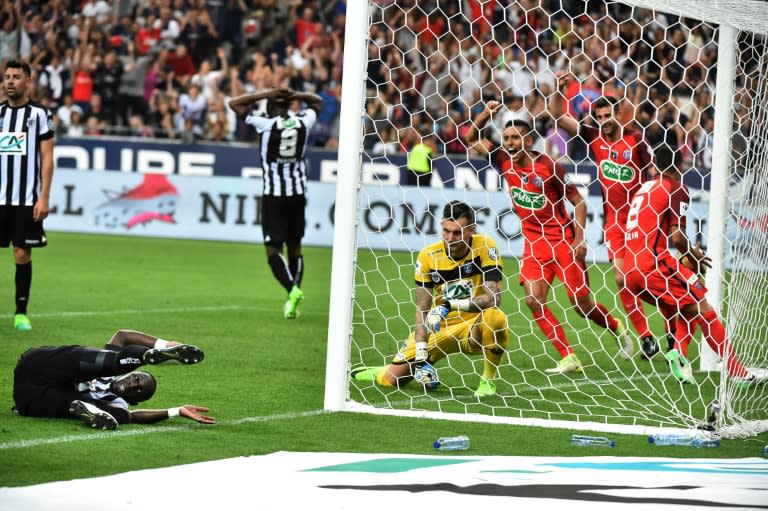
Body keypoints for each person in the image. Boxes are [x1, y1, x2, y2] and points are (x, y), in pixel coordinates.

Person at [464, 102, 633, 374]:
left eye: (515, 138)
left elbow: (578, 201)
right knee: (533, 300)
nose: (509, 143)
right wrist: (486, 114)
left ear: (528, 141)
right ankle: (568, 356)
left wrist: (579, 238)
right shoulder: (503, 160)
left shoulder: (550, 167)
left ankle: (616, 327)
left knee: (581, 304)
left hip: (562, 242)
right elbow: (470, 138)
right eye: (506, 138)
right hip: (534, 244)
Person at [549, 70, 670, 360]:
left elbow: (656, 177)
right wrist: (560, 88)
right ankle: (646, 338)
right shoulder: (594, 138)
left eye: (607, 117)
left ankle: (672, 325)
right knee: (620, 278)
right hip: (614, 220)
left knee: (646, 279)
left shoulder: (636, 141)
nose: (602, 123)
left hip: (642, 218)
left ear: (619, 115)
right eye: (599, 118)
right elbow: (556, 115)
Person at [623, 144, 759, 386]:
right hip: (652, 264)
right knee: (705, 308)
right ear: (681, 165)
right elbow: (677, 237)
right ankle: (738, 372)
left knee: (688, 308)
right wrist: (693, 257)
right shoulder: (676, 188)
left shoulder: (644, 187)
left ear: (655, 165)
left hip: (630, 269)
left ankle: (680, 355)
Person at [351, 201, 509, 397]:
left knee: (496, 317)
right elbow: (422, 308)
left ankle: (488, 382)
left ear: (471, 230)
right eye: (446, 231)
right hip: (438, 326)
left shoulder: (485, 246)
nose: (450, 238)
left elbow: (493, 298)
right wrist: (421, 355)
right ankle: (383, 370)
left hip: (472, 326)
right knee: (390, 381)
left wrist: (450, 304)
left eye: (457, 233)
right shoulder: (428, 256)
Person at [228, 87, 323, 319]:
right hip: (298, 193)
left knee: (272, 249)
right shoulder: (303, 121)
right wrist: (297, 95)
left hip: (274, 194)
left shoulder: (266, 124)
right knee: (295, 247)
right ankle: (292, 301)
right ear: (290, 105)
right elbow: (318, 102)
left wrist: (265, 94)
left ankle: (292, 290)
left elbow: (234, 104)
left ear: (270, 107)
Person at [13, 330, 215, 430]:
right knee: (103, 362)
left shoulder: (117, 403)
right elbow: (122, 336)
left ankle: (87, 410)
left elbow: (133, 416)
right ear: (128, 374)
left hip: (33, 400)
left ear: (134, 400)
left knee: (119, 414)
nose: (133, 384)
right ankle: (146, 356)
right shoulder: (110, 372)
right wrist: (164, 344)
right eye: (136, 378)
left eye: (137, 390)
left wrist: (176, 411)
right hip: (37, 366)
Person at [0, 60, 55, 331]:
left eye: (16, 77)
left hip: (25, 199)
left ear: (28, 82)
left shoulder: (40, 114)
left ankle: (21, 312)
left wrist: (43, 196)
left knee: (21, 253)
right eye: (7, 76)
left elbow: (47, 156)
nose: (10, 81)